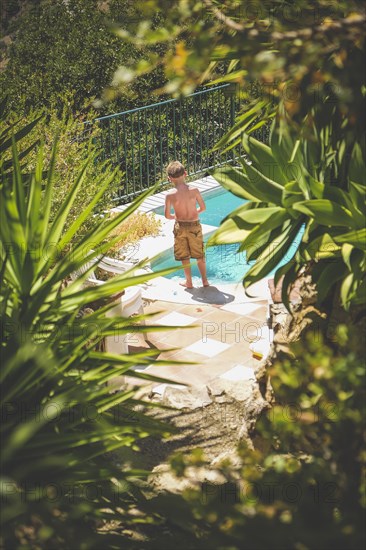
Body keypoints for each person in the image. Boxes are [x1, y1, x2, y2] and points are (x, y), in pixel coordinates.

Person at [164, 161, 209, 288]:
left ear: (169, 179)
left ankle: (189, 282)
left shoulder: (170, 195)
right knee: (199, 254)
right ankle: (205, 281)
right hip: (194, 225)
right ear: (185, 173)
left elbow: (167, 216)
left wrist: (176, 216)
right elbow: (203, 208)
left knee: (184, 256)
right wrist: (195, 212)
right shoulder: (194, 190)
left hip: (180, 227)